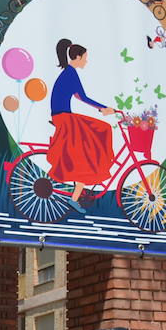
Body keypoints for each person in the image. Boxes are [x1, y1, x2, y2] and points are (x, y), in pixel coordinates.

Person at [49, 38, 118, 208]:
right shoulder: (70, 73)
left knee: (89, 147)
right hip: (64, 118)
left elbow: (79, 96)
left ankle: (75, 197)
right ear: (77, 57)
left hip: (64, 116)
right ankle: (102, 163)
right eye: (85, 57)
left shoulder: (69, 73)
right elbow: (83, 97)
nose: (86, 61)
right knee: (103, 128)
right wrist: (104, 108)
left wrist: (102, 109)